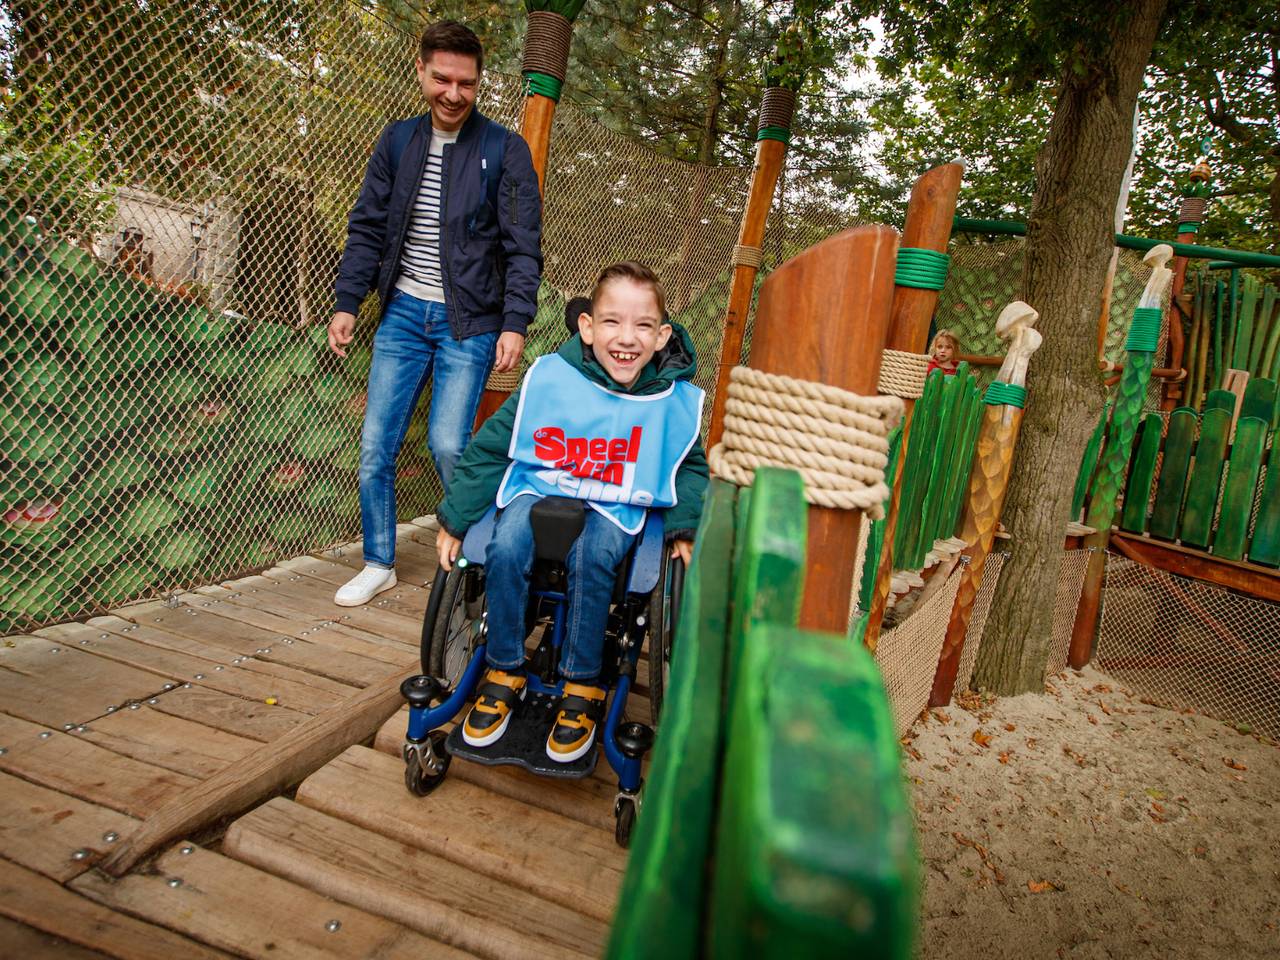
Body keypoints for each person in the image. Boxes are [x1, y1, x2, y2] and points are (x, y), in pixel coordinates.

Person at [434, 262, 709, 763]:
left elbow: (687, 467)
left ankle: (583, 684)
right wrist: (456, 517)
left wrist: (687, 526)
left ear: (662, 334)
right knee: (506, 541)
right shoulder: (549, 379)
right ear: (586, 326)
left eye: (643, 325)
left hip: (616, 502)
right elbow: (495, 447)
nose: (626, 337)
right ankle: (504, 667)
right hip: (540, 487)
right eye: (611, 322)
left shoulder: (671, 400)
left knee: (597, 553)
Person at [327, 20, 543, 607]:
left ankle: (478, 554)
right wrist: (349, 302)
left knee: (450, 443)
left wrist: (514, 322)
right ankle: (379, 561)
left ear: (479, 84)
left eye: (466, 83)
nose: (453, 93)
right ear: (421, 71)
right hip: (401, 315)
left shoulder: (503, 150)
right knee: (376, 445)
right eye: (442, 79)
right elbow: (368, 228)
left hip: (468, 322)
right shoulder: (397, 142)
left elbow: (523, 246)